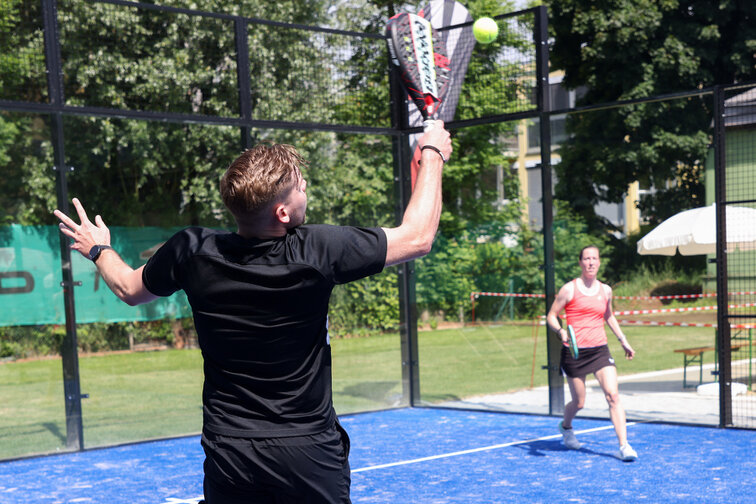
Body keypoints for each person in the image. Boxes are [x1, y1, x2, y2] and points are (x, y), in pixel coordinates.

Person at [53, 122, 452, 503]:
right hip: (306, 451)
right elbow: (417, 237)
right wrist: (431, 153)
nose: (305, 187)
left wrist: (98, 248)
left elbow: (128, 287)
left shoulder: (192, 250)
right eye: (300, 186)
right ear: (282, 213)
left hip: (230, 451)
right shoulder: (317, 250)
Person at [545, 245, 638, 461]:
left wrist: (624, 341)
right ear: (580, 263)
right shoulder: (569, 289)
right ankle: (566, 427)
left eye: (594, 259)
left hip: (599, 351)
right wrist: (560, 331)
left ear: (599, 262)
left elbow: (609, 316)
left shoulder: (605, 290)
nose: (590, 263)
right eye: (586, 259)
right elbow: (551, 315)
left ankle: (624, 446)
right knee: (579, 403)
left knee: (613, 395)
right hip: (574, 353)